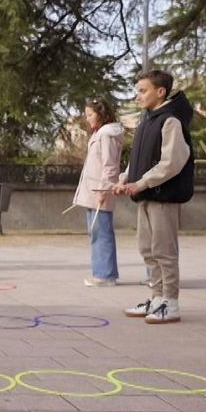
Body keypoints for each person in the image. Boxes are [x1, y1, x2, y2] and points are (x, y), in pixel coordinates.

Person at [113, 69, 194, 324]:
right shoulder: (147, 119)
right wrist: (126, 178)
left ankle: (171, 302)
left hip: (163, 196)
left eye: (143, 90)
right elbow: (139, 158)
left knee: (164, 251)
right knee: (147, 249)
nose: (138, 96)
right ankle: (157, 298)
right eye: (138, 90)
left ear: (160, 91)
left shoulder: (170, 120)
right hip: (145, 195)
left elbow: (173, 162)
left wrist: (143, 182)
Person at [72, 99, 123, 287]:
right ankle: (102, 272)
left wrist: (103, 190)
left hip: (100, 192)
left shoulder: (107, 135)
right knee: (97, 232)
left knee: (101, 232)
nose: (88, 119)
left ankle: (105, 274)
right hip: (94, 191)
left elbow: (109, 166)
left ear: (101, 114)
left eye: (90, 115)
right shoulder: (100, 134)